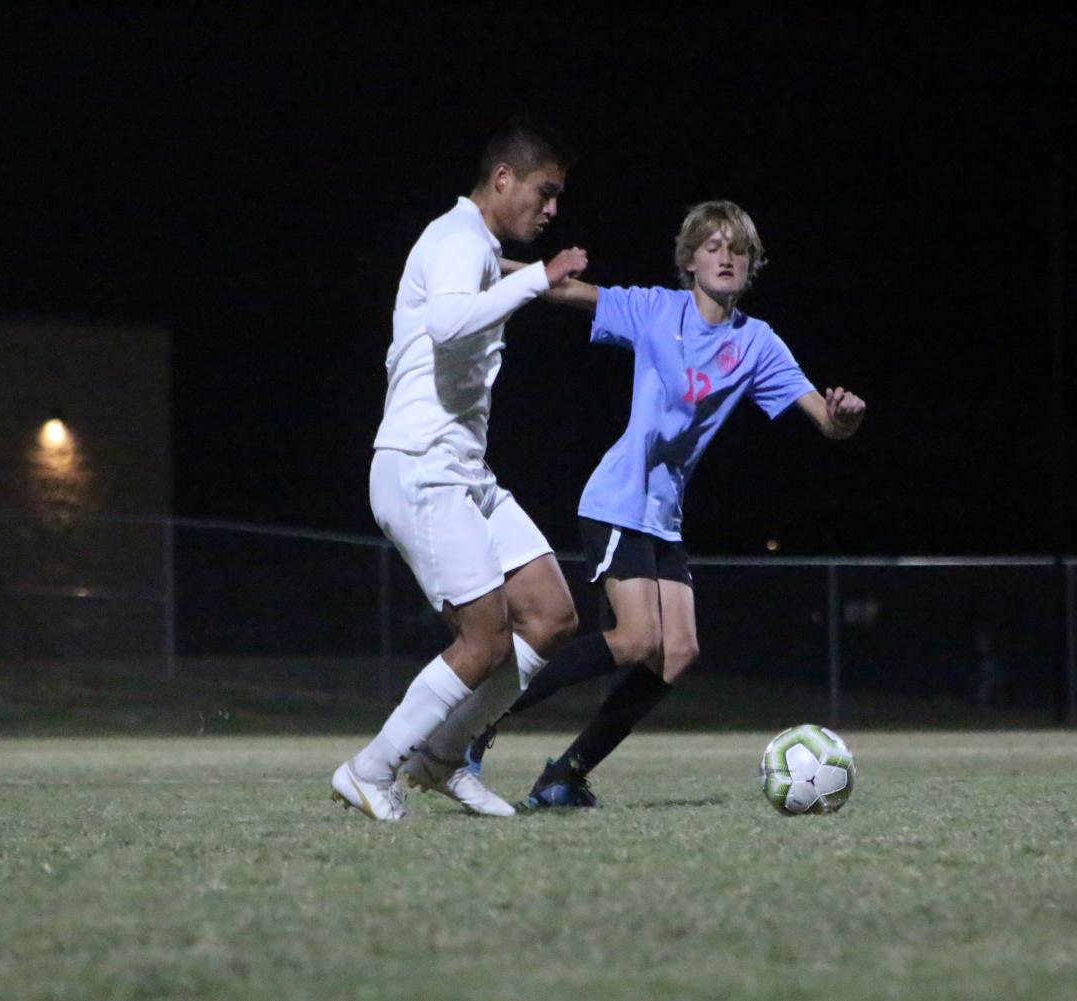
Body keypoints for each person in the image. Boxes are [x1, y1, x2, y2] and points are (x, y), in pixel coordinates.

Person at [470, 200, 866, 808]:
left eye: (738, 248)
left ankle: (565, 775)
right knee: (634, 640)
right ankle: (474, 724)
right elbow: (563, 291)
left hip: (662, 516)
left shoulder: (756, 343)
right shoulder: (657, 310)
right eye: (712, 246)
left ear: (752, 264)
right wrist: (481, 262)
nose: (726, 256)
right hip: (614, 501)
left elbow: (826, 422)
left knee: (677, 653)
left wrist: (843, 416)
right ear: (689, 261)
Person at [330, 120, 587, 821]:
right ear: (502, 179)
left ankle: (442, 759)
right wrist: (539, 275)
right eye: (545, 191)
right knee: (483, 638)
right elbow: (447, 323)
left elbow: (485, 291)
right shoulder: (455, 238)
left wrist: (556, 285)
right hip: (419, 468)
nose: (552, 207)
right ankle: (370, 768)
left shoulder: (474, 247)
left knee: (552, 616)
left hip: (464, 471)